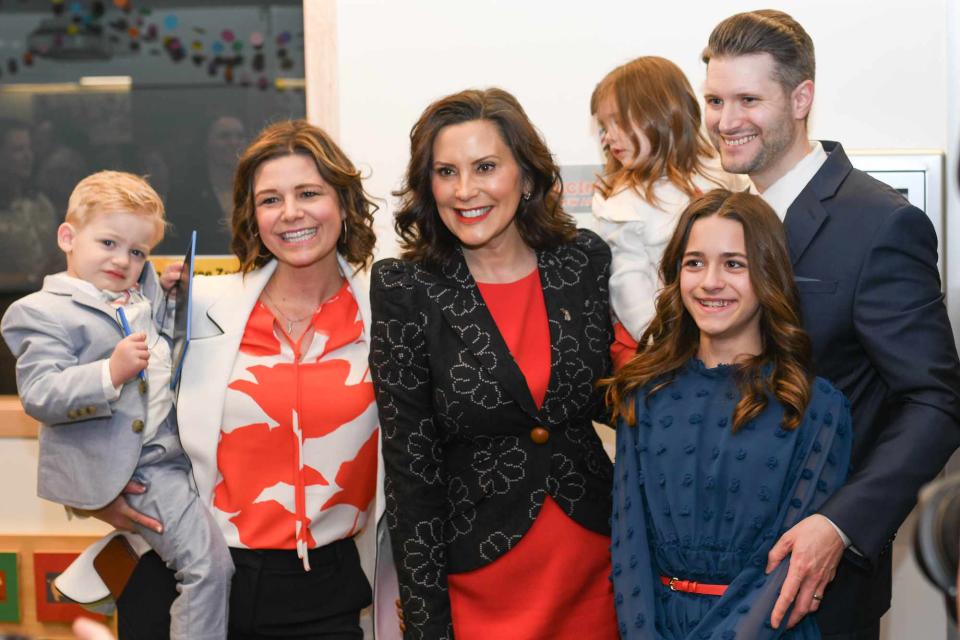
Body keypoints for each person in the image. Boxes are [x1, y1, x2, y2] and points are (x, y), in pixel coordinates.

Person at [701, 10, 960, 639]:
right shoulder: (719, 219)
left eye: (747, 99)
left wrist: (840, 525)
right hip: (712, 576)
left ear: (801, 97)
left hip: (818, 580)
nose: (725, 120)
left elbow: (937, 400)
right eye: (713, 99)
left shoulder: (879, 223)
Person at [105, 120, 398, 639]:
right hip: (188, 580)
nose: (291, 213)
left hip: (325, 593)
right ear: (251, 214)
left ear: (345, 203)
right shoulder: (198, 306)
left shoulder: (390, 312)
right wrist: (100, 489)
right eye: (270, 199)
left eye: (309, 193)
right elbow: (95, 390)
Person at [369, 88, 617, 639]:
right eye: (445, 172)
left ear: (526, 177)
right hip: (479, 576)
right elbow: (412, 473)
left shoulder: (583, 261)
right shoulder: (405, 288)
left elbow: (622, 395)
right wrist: (428, 626)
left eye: (485, 167)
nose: (465, 191)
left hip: (596, 566)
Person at [604, 188, 852, 638]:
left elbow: (788, 570)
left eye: (734, 264)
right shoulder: (644, 394)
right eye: (694, 262)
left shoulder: (814, 406)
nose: (710, 281)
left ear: (768, 275)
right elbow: (628, 548)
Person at [0, 170, 233, 640]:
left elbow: (162, 351)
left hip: (177, 451)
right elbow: (41, 393)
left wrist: (169, 297)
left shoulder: (136, 292)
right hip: (143, 467)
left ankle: (122, 551)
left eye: (137, 252)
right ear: (68, 236)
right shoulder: (40, 311)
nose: (123, 260)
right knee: (207, 569)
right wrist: (110, 372)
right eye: (108, 243)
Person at [589, 56, 743, 368]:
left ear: (662, 114)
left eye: (618, 122)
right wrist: (665, 344)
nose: (608, 137)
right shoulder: (620, 201)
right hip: (654, 348)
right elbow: (627, 283)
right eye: (604, 127)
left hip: (725, 336)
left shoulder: (724, 174)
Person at [164, 115, 247, 254]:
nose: (234, 142)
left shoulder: (256, 189)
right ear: (206, 143)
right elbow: (177, 248)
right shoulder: (184, 195)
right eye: (224, 136)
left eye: (240, 136)